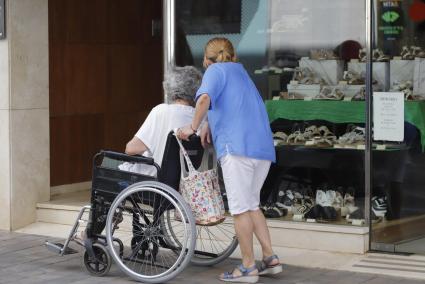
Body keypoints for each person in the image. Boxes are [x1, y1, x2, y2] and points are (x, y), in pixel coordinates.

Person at [177, 37, 282, 283]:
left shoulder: (214, 70)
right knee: (252, 203)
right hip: (261, 148)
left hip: (237, 148)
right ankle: (270, 258)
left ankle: (247, 267)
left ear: (206, 58)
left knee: (239, 209)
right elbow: (233, 107)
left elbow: (204, 100)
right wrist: (207, 124)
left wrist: (192, 127)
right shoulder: (241, 73)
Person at [120, 65, 202, 176]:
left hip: (154, 179)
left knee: (108, 163)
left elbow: (131, 149)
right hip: (185, 181)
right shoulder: (200, 118)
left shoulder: (161, 111)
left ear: (169, 88)